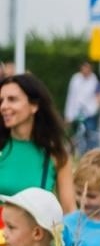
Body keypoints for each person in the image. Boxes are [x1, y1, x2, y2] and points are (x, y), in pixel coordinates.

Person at [0, 73, 75, 212]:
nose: (4, 106)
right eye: (1, 101)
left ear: (34, 105)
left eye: (12, 99)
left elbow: (69, 210)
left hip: (34, 232)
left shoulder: (55, 154)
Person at [64, 61, 100, 152]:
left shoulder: (94, 80)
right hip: (77, 113)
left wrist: (95, 109)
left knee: (90, 135)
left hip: (89, 113)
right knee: (78, 135)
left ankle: (90, 152)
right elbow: (71, 97)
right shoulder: (76, 79)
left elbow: (97, 97)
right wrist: (69, 115)